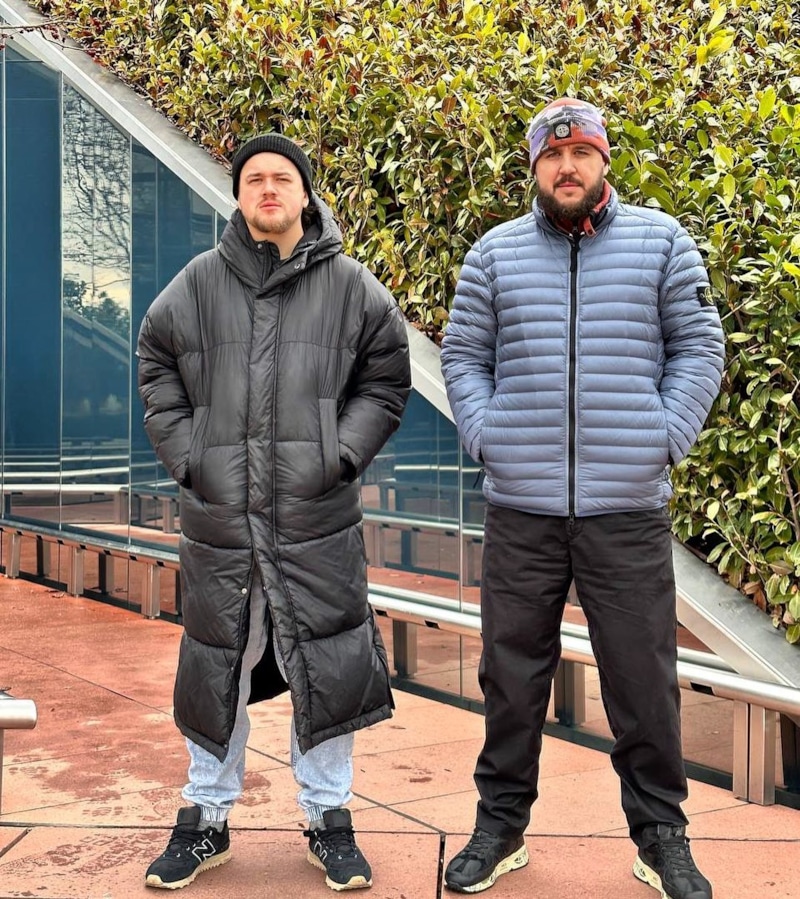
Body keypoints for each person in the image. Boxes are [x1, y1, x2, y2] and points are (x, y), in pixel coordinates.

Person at [440, 98, 725, 897]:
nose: (567, 168)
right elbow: (463, 356)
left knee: (642, 681)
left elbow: (700, 346)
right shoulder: (494, 254)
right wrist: (489, 437)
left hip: (626, 508)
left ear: (603, 160)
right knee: (510, 677)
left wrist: (662, 436)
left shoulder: (661, 242)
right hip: (521, 508)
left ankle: (661, 836)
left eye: (581, 153)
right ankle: (499, 827)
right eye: (551, 156)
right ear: (535, 167)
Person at [137, 133, 411, 891]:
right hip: (222, 521)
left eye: (282, 177)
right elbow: (155, 361)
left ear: (305, 192)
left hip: (315, 518)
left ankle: (329, 817)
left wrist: (339, 453)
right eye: (254, 177)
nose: (267, 188)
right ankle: (205, 816)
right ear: (238, 195)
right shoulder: (197, 283)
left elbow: (387, 377)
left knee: (325, 661)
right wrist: (192, 456)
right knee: (215, 664)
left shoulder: (351, 286)